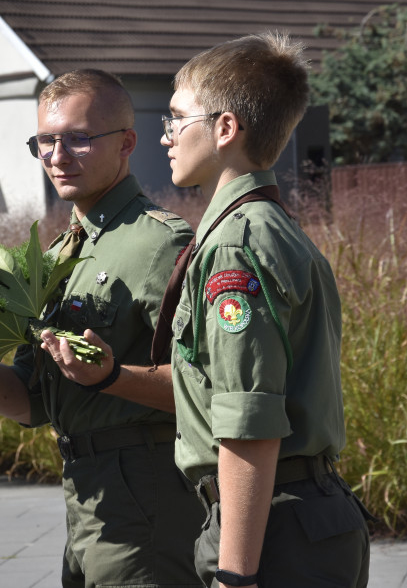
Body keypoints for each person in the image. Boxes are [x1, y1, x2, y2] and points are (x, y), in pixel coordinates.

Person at [0, 69, 203, 587]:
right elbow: (32, 403)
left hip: (146, 493)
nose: (57, 156)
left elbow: (208, 390)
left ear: (127, 143)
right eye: (45, 141)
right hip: (86, 495)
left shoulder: (158, 244)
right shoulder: (57, 255)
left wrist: (112, 376)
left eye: (78, 139)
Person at [156, 33, 369, 587]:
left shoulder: (235, 245)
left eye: (176, 118)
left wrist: (236, 575)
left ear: (225, 129)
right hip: (298, 518)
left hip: (276, 531)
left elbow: (250, 424)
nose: (167, 137)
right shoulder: (267, 226)